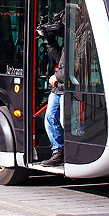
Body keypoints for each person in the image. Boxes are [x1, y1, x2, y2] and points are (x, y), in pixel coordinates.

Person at [37, 18, 65, 167]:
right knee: (50, 118)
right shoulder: (71, 39)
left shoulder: (80, 39)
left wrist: (57, 76)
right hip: (59, 88)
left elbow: (75, 66)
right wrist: (49, 42)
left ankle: (61, 151)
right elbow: (61, 59)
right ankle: (58, 150)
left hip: (66, 87)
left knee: (60, 120)